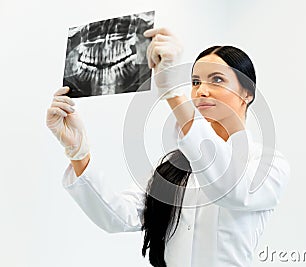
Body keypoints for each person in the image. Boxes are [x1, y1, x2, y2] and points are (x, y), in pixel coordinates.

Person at [46, 28, 291, 267]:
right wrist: (78, 153)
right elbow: (119, 217)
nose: (201, 90)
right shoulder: (172, 169)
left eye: (217, 79)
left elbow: (230, 189)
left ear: (247, 92)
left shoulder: (267, 164)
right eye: (195, 82)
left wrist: (173, 94)